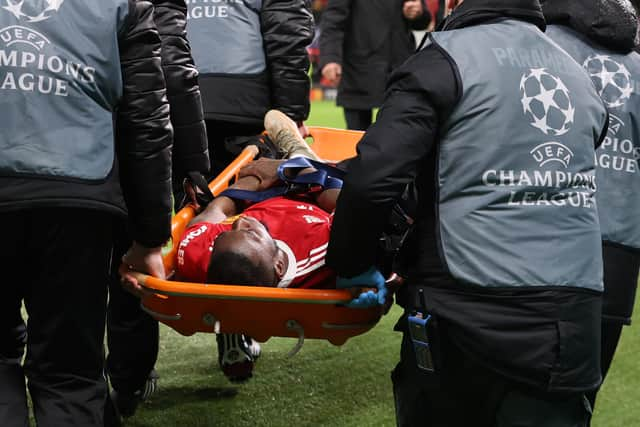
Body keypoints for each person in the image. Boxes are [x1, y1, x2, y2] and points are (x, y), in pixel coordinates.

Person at [326, 0, 609, 425]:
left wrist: (352, 264)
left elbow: (374, 178)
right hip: (571, 327)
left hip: (466, 317)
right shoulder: (575, 72)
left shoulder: (443, 59)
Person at [0, 1, 173, 426]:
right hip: (79, 197)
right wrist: (150, 237)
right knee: (69, 374)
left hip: (73, 195)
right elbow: (146, 121)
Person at [105, 0, 210, 424]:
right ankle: (126, 381)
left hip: (47, 151)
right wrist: (194, 166)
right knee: (132, 266)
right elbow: (174, 71)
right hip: (122, 155)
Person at [542, 0, 640, 411]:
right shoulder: (637, 65)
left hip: (535, 244)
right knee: (578, 403)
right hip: (616, 257)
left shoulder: (533, 48)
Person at [185, 0, 314, 176]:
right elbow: (286, 36)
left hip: (183, 99)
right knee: (251, 192)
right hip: (246, 103)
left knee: (193, 195)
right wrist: (290, 116)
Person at [319, 0, 430, 130]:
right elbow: (333, 21)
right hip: (357, 70)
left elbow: (423, 21)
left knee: (400, 136)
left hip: (399, 69)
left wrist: (418, 12)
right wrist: (330, 58)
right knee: (357, 138)